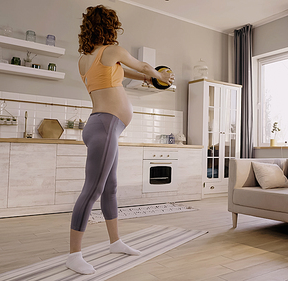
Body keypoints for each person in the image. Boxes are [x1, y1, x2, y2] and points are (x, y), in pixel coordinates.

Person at [66, 5, 174, 275]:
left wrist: (149, 79)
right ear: (110, 27)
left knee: (110, 187)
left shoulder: (86, 58)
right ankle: (74, 255)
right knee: (92, 190)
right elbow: (145, 65)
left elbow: (127, 73)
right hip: (104, 126)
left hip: (101, 126)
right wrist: (159, 75)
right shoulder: (111, 50)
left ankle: (115, 242)